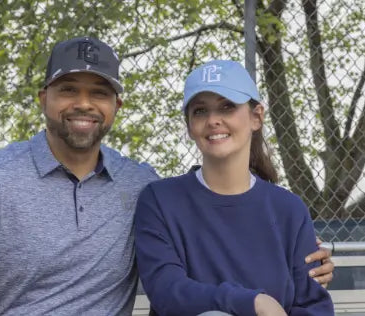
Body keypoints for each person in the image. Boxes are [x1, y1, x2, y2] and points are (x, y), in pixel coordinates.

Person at [0, 37, 334, 316]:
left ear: (116, 105)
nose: (84, 104)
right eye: (69, 89)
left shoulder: (139, 185)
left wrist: (308, 256)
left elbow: (224, 211)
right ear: (44, 99)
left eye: (99, 93)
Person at [134, 60, 335, 316]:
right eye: (200, 111)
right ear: (189, 126)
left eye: (227, 107)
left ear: (256, 116)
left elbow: (314, 306)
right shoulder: (160, 200)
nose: (213, 120)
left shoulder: (288, 209)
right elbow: (168, 291)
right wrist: (255, 303)